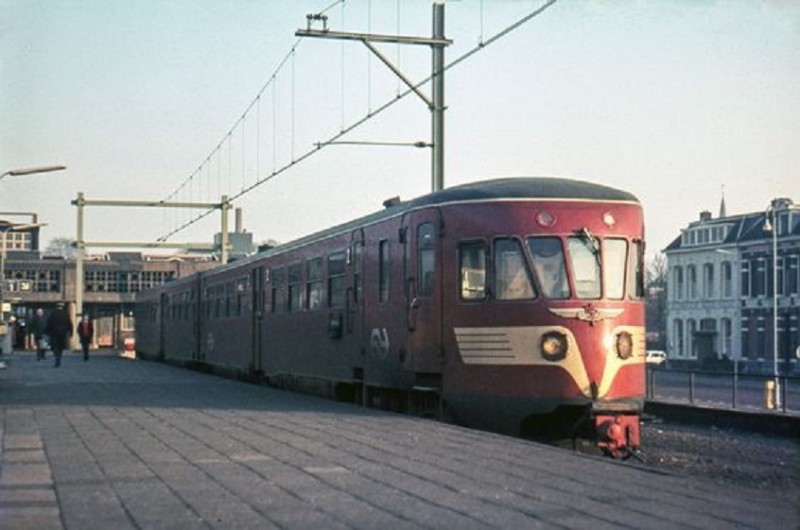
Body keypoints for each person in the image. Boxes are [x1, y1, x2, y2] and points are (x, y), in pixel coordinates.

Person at [45, 303, 72, 368]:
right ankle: (59, 356)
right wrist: (70, 332)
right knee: (60, 346)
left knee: (55, 345)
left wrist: (47, 332)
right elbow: (69, 323)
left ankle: (57, 357)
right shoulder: (65, 314)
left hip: (54, 333)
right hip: (63, 333)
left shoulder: (53, 313)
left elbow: (49, 323)